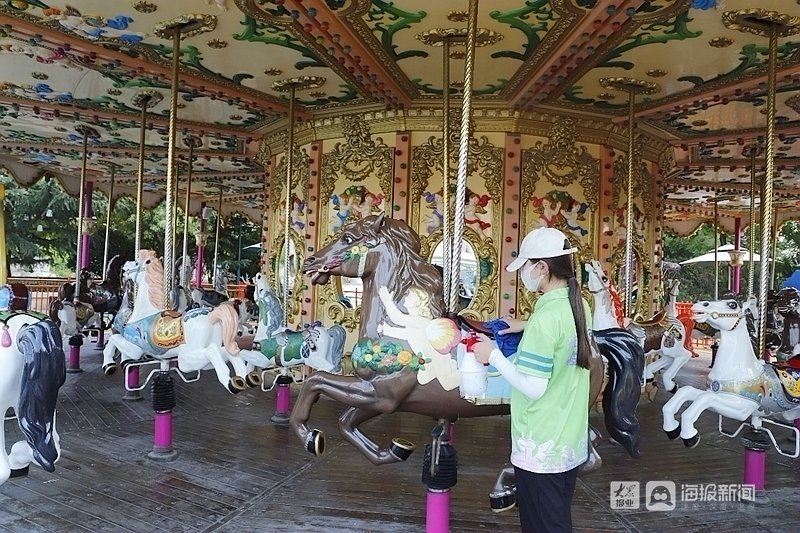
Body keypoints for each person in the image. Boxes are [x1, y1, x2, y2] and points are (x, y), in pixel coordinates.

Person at [472, 227, 592, 533]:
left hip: (541, 445)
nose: (524, 273)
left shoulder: (545, 319)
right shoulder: (579, 307)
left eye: (527, 266)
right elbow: (560, 335)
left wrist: (493, 355)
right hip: (568, 442)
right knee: (556, 519)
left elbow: (533, 387)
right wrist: (524, 325)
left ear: (542, 268)